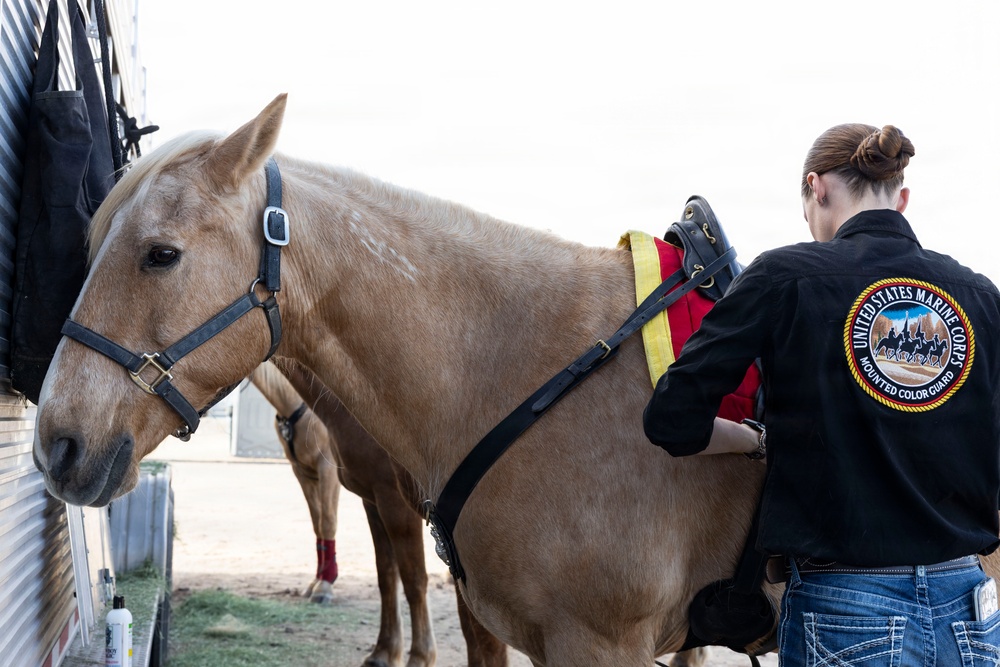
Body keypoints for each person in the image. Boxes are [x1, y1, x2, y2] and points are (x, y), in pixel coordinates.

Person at [643, 124, 1000, 665]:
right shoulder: (979, 295)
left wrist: (753, 441)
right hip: (971, 611)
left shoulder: (785, 276)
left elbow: (671, 417)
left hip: (847, 611)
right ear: (901, 198)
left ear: (817, 188)